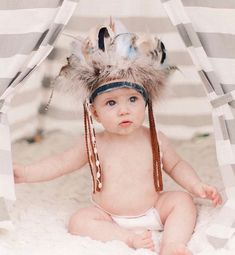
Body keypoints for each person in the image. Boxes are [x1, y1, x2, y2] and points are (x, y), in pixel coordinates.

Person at [13, 20, 222, 255]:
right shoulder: (93, 143)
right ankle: (127, 238)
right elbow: (60, 163)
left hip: (153, 209)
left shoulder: (155, 138)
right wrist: (27, 173)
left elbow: (176, 165)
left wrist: (196, 186)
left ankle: (173, 244)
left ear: (146, 102)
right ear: (95, 113)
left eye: (132, 99)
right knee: (79, 221)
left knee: (183, 202)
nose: (124, 110)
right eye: (111, 103)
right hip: (109, 216)